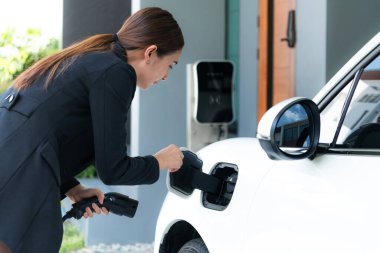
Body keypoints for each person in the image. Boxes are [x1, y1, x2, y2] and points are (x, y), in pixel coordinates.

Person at [0, 7, 184, 253]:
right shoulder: (117, 73)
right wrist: (160, 160)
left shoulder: (97, 58)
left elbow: (45, 129)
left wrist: (72, 188)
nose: (166, 76)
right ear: (150, 52)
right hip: (20, 173)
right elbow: (114, 169)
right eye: (171, 65)